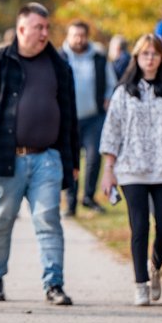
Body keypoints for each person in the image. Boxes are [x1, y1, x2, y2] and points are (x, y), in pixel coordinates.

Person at [0, 2, 79, 306]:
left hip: (48, 157)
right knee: (1, 220)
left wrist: (72, 161)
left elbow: (69, 116)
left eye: (47, 27)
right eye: (39, 27)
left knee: (48, 219)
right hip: (6, 156)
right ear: (21, 29)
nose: (45, 33)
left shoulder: (59, 65)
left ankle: (54, 284)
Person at [100, 34, 162, 305]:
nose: (150, 59)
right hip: (132, 168)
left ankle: (155, 266)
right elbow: (112, 131)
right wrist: (109, 169)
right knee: (139, 226)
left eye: (154, 54)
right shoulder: (124, 92)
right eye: (145, 54)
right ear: (137, 58)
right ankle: (140, 283)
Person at [60, 20, 116, 215]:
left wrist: (108, 98)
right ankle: (71, 202)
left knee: (93, 158)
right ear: (68, 37)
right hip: (69, 119)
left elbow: (111, 83)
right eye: (74, 35)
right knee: (70, 160)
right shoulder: (60, 57)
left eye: (82, 35)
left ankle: (89, 197)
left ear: (87, 36)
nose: (78, 39)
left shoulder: (99, 57)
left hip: (94, 117)